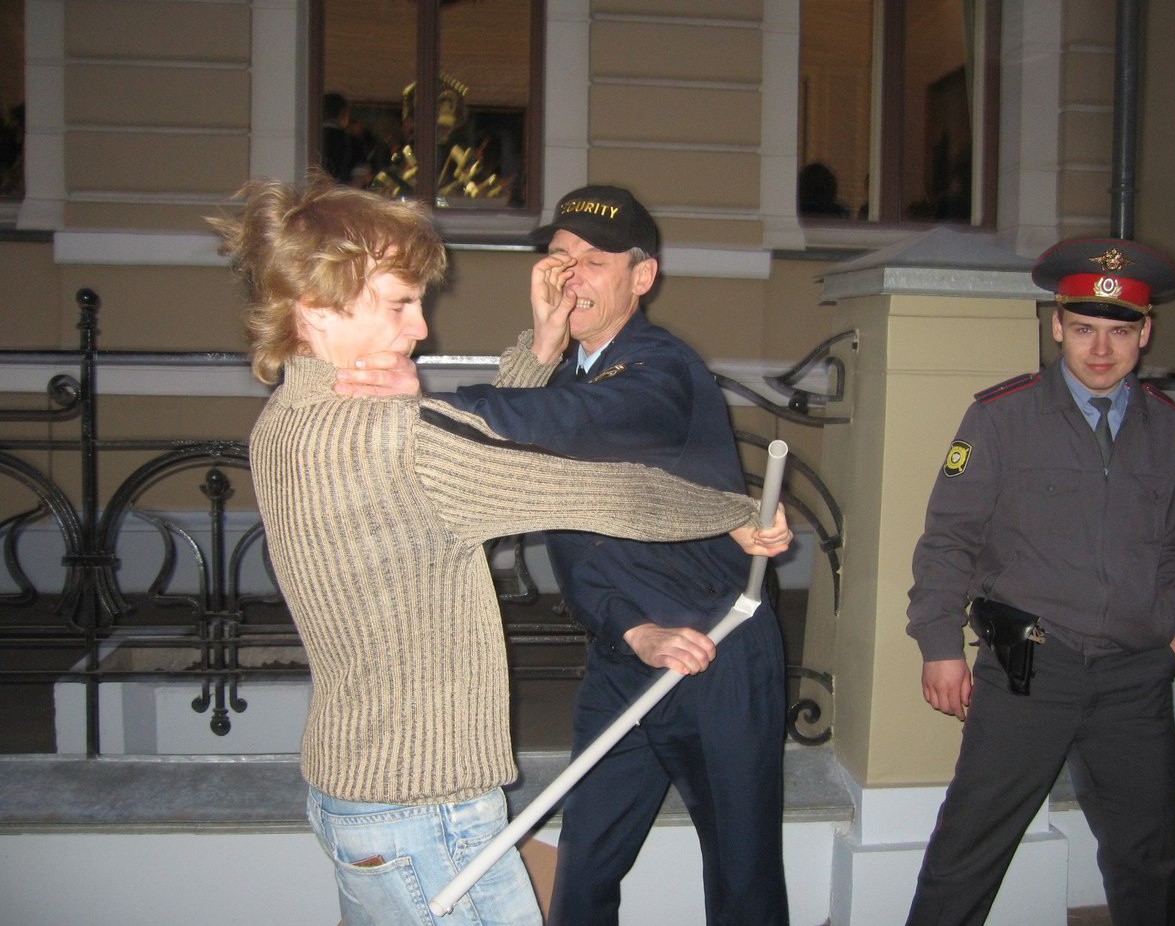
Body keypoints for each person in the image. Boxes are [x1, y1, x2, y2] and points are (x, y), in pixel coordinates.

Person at [209, 175, 791, 926]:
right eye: (398, 304)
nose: (420, 330)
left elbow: (483, 454)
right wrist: (733, 510)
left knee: (738, 865)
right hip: (427, 810)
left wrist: (527, 353)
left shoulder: (281, 422)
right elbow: (585, 491)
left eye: (596, 259)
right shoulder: (402, 437)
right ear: (315, 307)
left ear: (642, 276)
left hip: (353, 794)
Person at [903, 237, 1175, 926]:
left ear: (1143, 333)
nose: (1100, 350)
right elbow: (948, 537)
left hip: (1135, 676)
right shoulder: (1000, 417)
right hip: (1030, 671)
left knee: (1149, 860)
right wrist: (938, 644)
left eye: (1118, 331)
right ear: (1057, 327)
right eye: (1084, 330)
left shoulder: (1167, 428)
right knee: (967, 852)